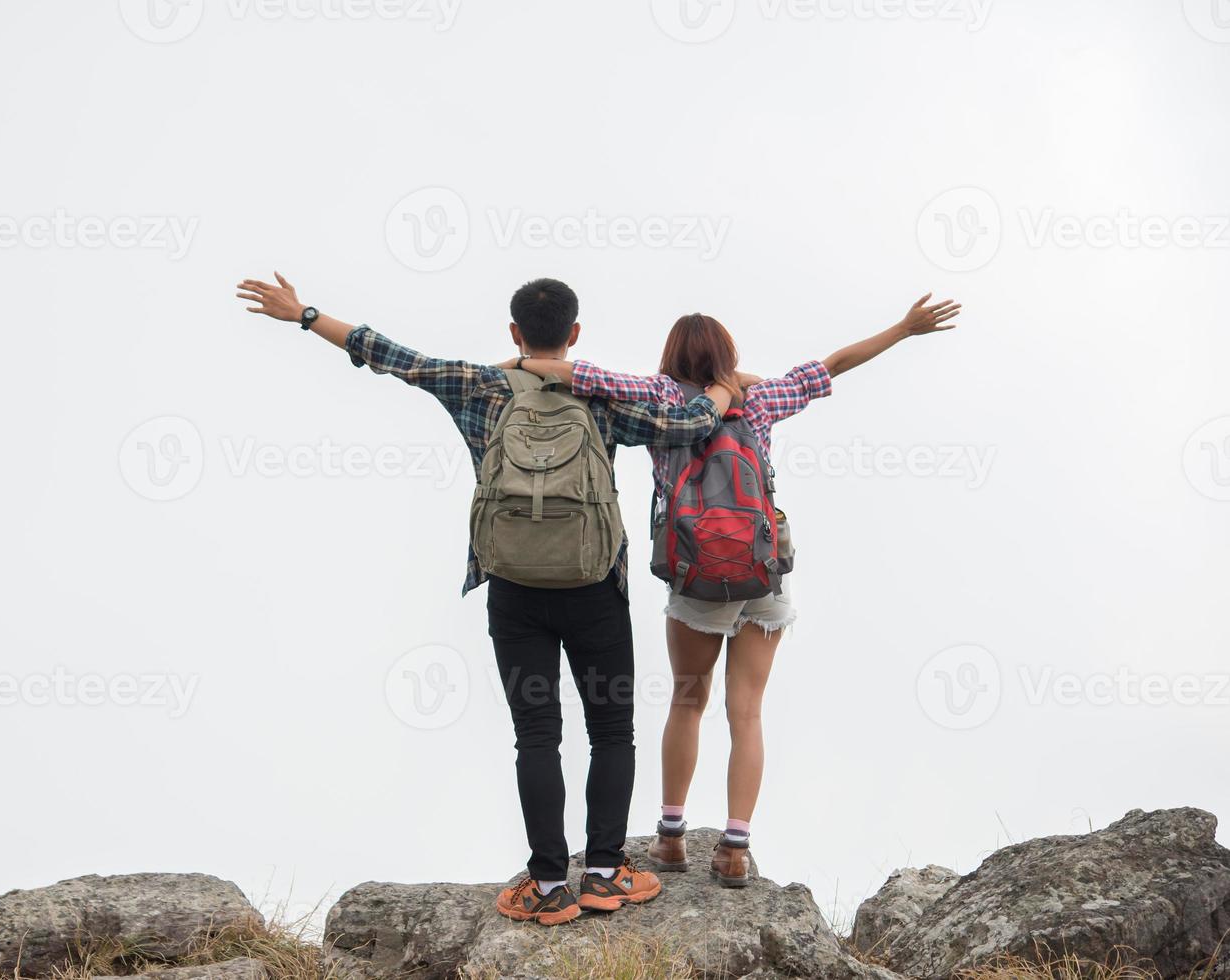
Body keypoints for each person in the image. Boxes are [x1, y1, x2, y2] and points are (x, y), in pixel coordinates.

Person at [235, 272, 740, 924]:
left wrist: (304, 314)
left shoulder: (476, 384)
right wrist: (724, 390)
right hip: (594, 591)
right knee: (611, 730)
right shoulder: (598, 394)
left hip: (513, 593)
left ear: (513, 333)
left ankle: (549, 886)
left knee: (537, 735)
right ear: (575, 333)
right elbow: (686, 423)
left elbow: (388, 355)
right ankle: (605, 874)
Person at [511, 293, 963, 886]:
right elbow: (834, 364)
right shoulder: (760, 399)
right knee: (746, 711)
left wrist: (518, 364)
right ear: (728, 355)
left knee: (687, 700)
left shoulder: (661, 396)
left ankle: (670, 839)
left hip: (698, 576)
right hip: (762, 570)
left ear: (671, 356)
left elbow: (579, 374)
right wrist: (903, 328)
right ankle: (734, 848)